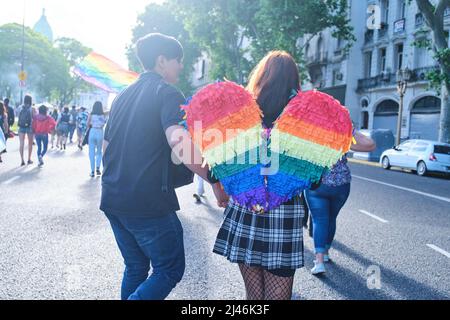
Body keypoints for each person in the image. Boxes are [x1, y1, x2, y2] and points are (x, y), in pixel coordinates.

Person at [100, 33, 228, 300]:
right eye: (177, 60)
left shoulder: (122, 96)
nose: (181, 66)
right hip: (147, 201)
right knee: (169, 269)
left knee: (135, 268)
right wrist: (214, 179)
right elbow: (178, 139)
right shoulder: (167, 93)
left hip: (112, 197)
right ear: (161, 61)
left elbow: (105, 147)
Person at [212, 51, 306, 300]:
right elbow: (315, 173)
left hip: (246, 205)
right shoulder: (302, 114)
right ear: (293, 80)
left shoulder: (243, 111)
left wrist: (221, 187)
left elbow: (221, 157)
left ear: (262, 76)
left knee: (254, 297)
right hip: (285, 210)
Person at [305, 130, 376, 275]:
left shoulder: (310, 122)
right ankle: (325, 252)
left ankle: (319, 262)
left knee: (319, 220)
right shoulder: (343, 125)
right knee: (331, 218)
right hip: (341, 184)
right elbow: (370, 145)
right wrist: (345, 138)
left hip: (317, 182)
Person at [86, 101, 107, 177]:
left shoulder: (91, 114)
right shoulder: (103, 115)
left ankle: (92, 171)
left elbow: (87, 124)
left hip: (93, 131)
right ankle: (98, 168)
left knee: (91, 151)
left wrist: (91, 124)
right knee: (99, 151)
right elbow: (104, 123)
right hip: (100, 132)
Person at [18, 95, 36, 166]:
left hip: (21, 127)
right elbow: (34, 118)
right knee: (30, 144)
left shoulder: (20, 107)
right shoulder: (32, 108)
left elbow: (17, 115)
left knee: (21, 143)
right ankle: (29, 159)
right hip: (30, 127)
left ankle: (22, 160)